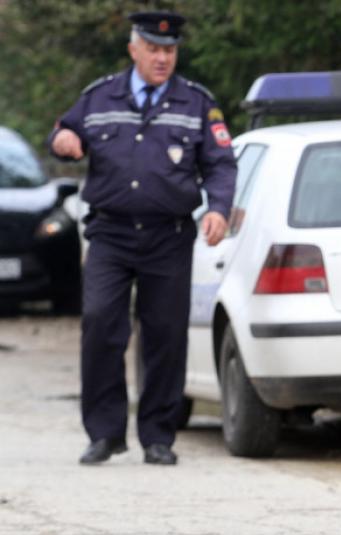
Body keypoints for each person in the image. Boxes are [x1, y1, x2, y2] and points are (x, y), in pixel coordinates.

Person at [48, 11, 236, 466]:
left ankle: (158, 436)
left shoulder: (196, 103)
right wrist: (64, 140)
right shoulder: (100, 96)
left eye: (169, 50)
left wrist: (218, 208)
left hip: (168, 236)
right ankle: (104, 433)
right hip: (110, 234)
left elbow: (220, 163)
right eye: (153, 49)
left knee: (165, 335)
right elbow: (64, 130)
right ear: (133, 50)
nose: (162, 58)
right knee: (100, 323)